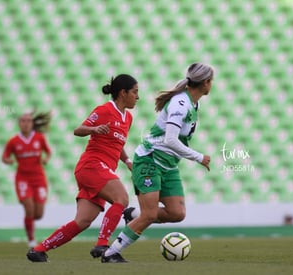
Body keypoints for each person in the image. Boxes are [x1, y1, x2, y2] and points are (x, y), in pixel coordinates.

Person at [101, 62, 214, 263]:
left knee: (177, 213)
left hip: (168, 166)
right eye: (210, 81)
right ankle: (111, 253)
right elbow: (170, 139)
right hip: (150, 160)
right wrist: (198, 157)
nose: (211, 84)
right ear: (205, 83)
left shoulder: (193, 103)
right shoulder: (181, 104)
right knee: (150, 215)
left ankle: (133, 213)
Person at [27, 74, 139, 262]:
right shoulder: (104, 110)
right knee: (121, 198)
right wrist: (94, 129)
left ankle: (39, 250)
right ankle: (103, 245)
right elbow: (78, 130)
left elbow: (117, 144)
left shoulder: (128, 118)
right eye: (135, 92)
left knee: (82, 221)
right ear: (123, 92)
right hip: (91, 166)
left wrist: (127, 161)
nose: (137, 97)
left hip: (100, 171)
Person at [2, 111, 52, 248]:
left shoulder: (39, 138)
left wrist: (46, 159)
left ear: (32, 123)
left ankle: (29, 222)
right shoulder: (13, 141)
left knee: (39, 214)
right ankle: (31, 240)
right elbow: (4, 156)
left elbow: (48, 152)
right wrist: (8, 160)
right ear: (19, 123)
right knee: (29, 209)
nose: (26, 123)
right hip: (23, 179)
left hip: (39, 178)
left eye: (28, 121)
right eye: (23, 121)